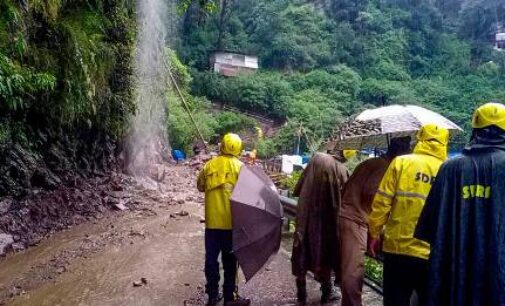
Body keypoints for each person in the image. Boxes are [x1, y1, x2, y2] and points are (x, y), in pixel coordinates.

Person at [415, 102, 505, 306]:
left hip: (454, 277)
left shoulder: (449, 168)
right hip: (498, 278)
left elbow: (428, 229)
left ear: (475, 130)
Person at [367, 124, 449, 306]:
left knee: (395, 301)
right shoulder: (449, 169)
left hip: (397, 249)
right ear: (445, 142)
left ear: (420, 139)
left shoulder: (401, 163)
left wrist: (374, 233)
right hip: (432, 254)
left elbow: (382, 203)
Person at [339, 137, 411, 306]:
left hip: (347, 215)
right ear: (400, 153)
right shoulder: (384, 167)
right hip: (356, 219)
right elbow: (373, 195)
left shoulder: (371, 162)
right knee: (353, 272)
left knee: (349, 269)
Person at [197, 133, 248, 306]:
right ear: (238, 148)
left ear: (222, 146)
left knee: (211, 260)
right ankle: (229, 297)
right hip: (232, 225)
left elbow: (200, 186)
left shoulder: (209, 166)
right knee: (230, 262)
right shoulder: (242, 168)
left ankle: (212, 295)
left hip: (212, 224)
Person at [291, 152, 349, 304]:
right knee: (328, 252)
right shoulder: (341, 169)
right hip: (328, 220)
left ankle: (301, 294)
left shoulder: (316, 158)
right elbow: (346, 199)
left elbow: (299, 187)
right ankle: (327, 292)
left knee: (301, 249)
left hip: (306, 215)